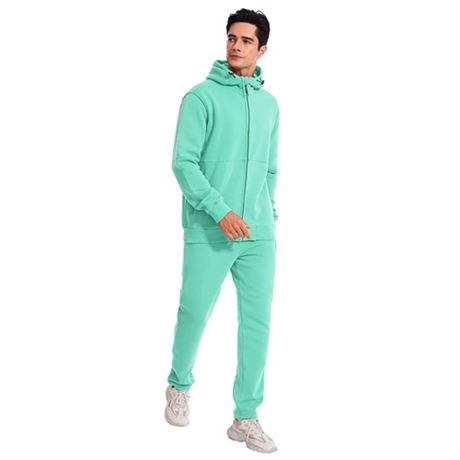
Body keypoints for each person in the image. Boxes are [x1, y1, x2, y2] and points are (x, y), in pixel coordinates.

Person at [164, 8, 280, 454]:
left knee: (257, 325)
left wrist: (268, 212)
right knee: (193, 312)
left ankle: (245, 417)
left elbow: (270, 168)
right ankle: (179, 385)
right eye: (232, 37)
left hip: (258, 234)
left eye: (246, 40)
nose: (236, 46)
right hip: (210, 228)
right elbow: (183, 163)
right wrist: (220, 211)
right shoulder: (200, 98)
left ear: (262, 49)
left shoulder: (270, 105)